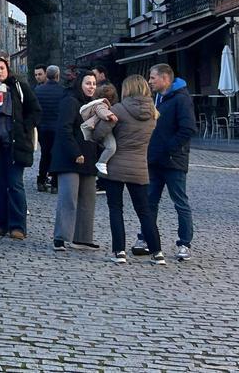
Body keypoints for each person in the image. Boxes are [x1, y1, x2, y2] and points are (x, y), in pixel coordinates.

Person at [134, 63, 197, 261]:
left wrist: (169, 149)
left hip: (173, 160)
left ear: (165, 78)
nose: (150, 81)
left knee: (180, 202)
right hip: (154, 160)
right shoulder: (158, 98)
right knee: (149, 201)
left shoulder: (181, 99)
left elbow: (188, 129)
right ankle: (146, 238)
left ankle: (184, 243)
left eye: (153, 78)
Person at [0, 53, 40, 240]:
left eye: (1, 68)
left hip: (14, 143)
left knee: (15, 184)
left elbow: (35, 110)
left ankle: (18, 226)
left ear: (7, 70)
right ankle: (0, 223)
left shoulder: (19, 87)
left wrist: (23, 128)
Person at [102, 74, 164, 265]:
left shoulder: (118, 109)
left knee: (115, 209)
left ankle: (119, 251)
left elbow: (100, 132)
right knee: (144, 211)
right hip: (139, 166)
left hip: (116, 164)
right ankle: (157, 252)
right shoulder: (153, 112)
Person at [50, 71, 110, 251]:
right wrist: (75, 152)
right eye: (88, 83)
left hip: (89, 157)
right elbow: (64, 129)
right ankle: (61, 237)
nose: (91, 87)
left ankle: (83, 238)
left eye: (93, 83)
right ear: (80, 84)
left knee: (88, 199)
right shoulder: (70, 101)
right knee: (68, 198)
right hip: (70, 157)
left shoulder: (93, 104)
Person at [35, 65, 65, 193]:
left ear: (46, 75)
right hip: (57, 127)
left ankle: (41, 180)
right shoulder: (62, 91)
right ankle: (55, 184)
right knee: (56, 154)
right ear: (58, 76)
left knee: (45, 154)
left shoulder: (38, 90)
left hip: (42, 127)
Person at [80, 82, 119, 176]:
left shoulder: (97, 103)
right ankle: (102, 162)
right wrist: (110, 115)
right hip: (102, 128)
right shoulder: (101, 104)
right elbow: (101, 111)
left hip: (97, 129)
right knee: (111, 147)